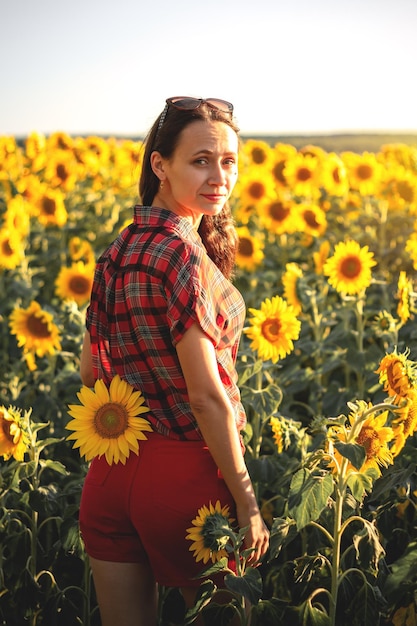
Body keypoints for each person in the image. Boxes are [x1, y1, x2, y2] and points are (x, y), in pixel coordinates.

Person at [78, 96, 270, 626]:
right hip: (185, 477)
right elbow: (205, 396)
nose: (219, 176)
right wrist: (247, 499)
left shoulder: (116, 252)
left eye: (228, 161)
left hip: (111, 471)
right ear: (159, 165)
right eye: (200, 160)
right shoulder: (182, 256)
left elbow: (90, 372)